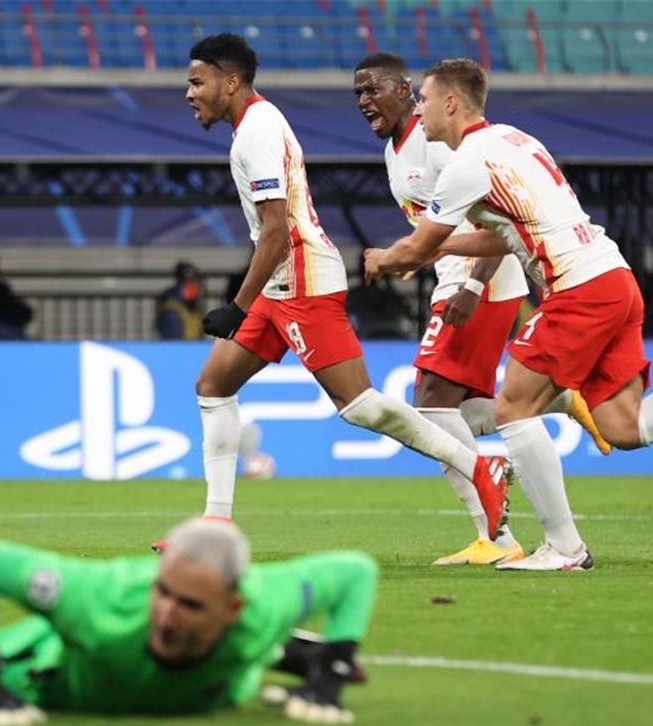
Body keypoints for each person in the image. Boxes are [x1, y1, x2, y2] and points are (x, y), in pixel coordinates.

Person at [364, 58, 653, 571]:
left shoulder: (465, 164)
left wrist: (385, 258)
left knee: (511, 409)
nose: (422, 108)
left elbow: (416, 249)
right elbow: (496, 234)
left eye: (427, 99)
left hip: (578, 287)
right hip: (613, 274)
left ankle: (565, 548)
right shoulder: (515, 140)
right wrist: (422, 253)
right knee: (626, 426)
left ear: (451, 103)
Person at [169, 34, 511, 552]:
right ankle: (216, 523)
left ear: (230, 81)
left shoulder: (257, 131)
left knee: (360, 407)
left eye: (198, 82)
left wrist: (237, 306)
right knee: (213, 385)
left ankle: (478, 467)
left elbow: (279, 229)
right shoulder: (253, 128)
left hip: (302, 278)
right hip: (283, 280)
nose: (190, 93)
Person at [354, 52, 613, 567]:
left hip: (482, 282)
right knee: (453, 411)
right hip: (456, 279)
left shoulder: (445, 149)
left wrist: (471, 285)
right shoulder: (398, 150)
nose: (364, 101)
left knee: (428, 402)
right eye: (357, 94)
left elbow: (496, 223)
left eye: (373, 89)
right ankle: (556, 401)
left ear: (406, 90)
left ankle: (494, 532)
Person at [0, 518, 377, 726]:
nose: (166, 613)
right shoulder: (99, 602)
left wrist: (332, 675)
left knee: (226, 681)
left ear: (235, 603)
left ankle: (289, 654)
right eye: (163, 593)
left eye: (189, 604)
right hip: (49, 677)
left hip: (205, 680)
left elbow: (355, 569)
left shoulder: (265, 600)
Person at [155, 261, 206, 340]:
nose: (196, 287)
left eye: (195, 282)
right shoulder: (171, 311)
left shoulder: (195, 308)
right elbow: (174, 341)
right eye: (189, 282)